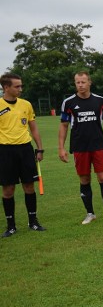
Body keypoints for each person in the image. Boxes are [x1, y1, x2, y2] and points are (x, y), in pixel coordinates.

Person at [58, 71, 103, 225]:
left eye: (83, 82)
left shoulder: (100, 101)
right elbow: (63, 126)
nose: (80, 85)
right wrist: (61, 148)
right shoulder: (68, 103)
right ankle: (90, 214)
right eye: (77, 82)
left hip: (98, 146)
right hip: (80, 147)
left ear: (89, 82)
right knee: (85, 179)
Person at [0, 73, 46, 237]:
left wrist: (39, 148)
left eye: (21, 86)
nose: (21, 89)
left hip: (25, 149)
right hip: (5, 151)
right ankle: (10, 226)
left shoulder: (26, 104)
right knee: (8, 189)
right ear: (6, 87)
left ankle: (33, 221)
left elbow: (33, 128)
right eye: (17, 86)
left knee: (29, 186)